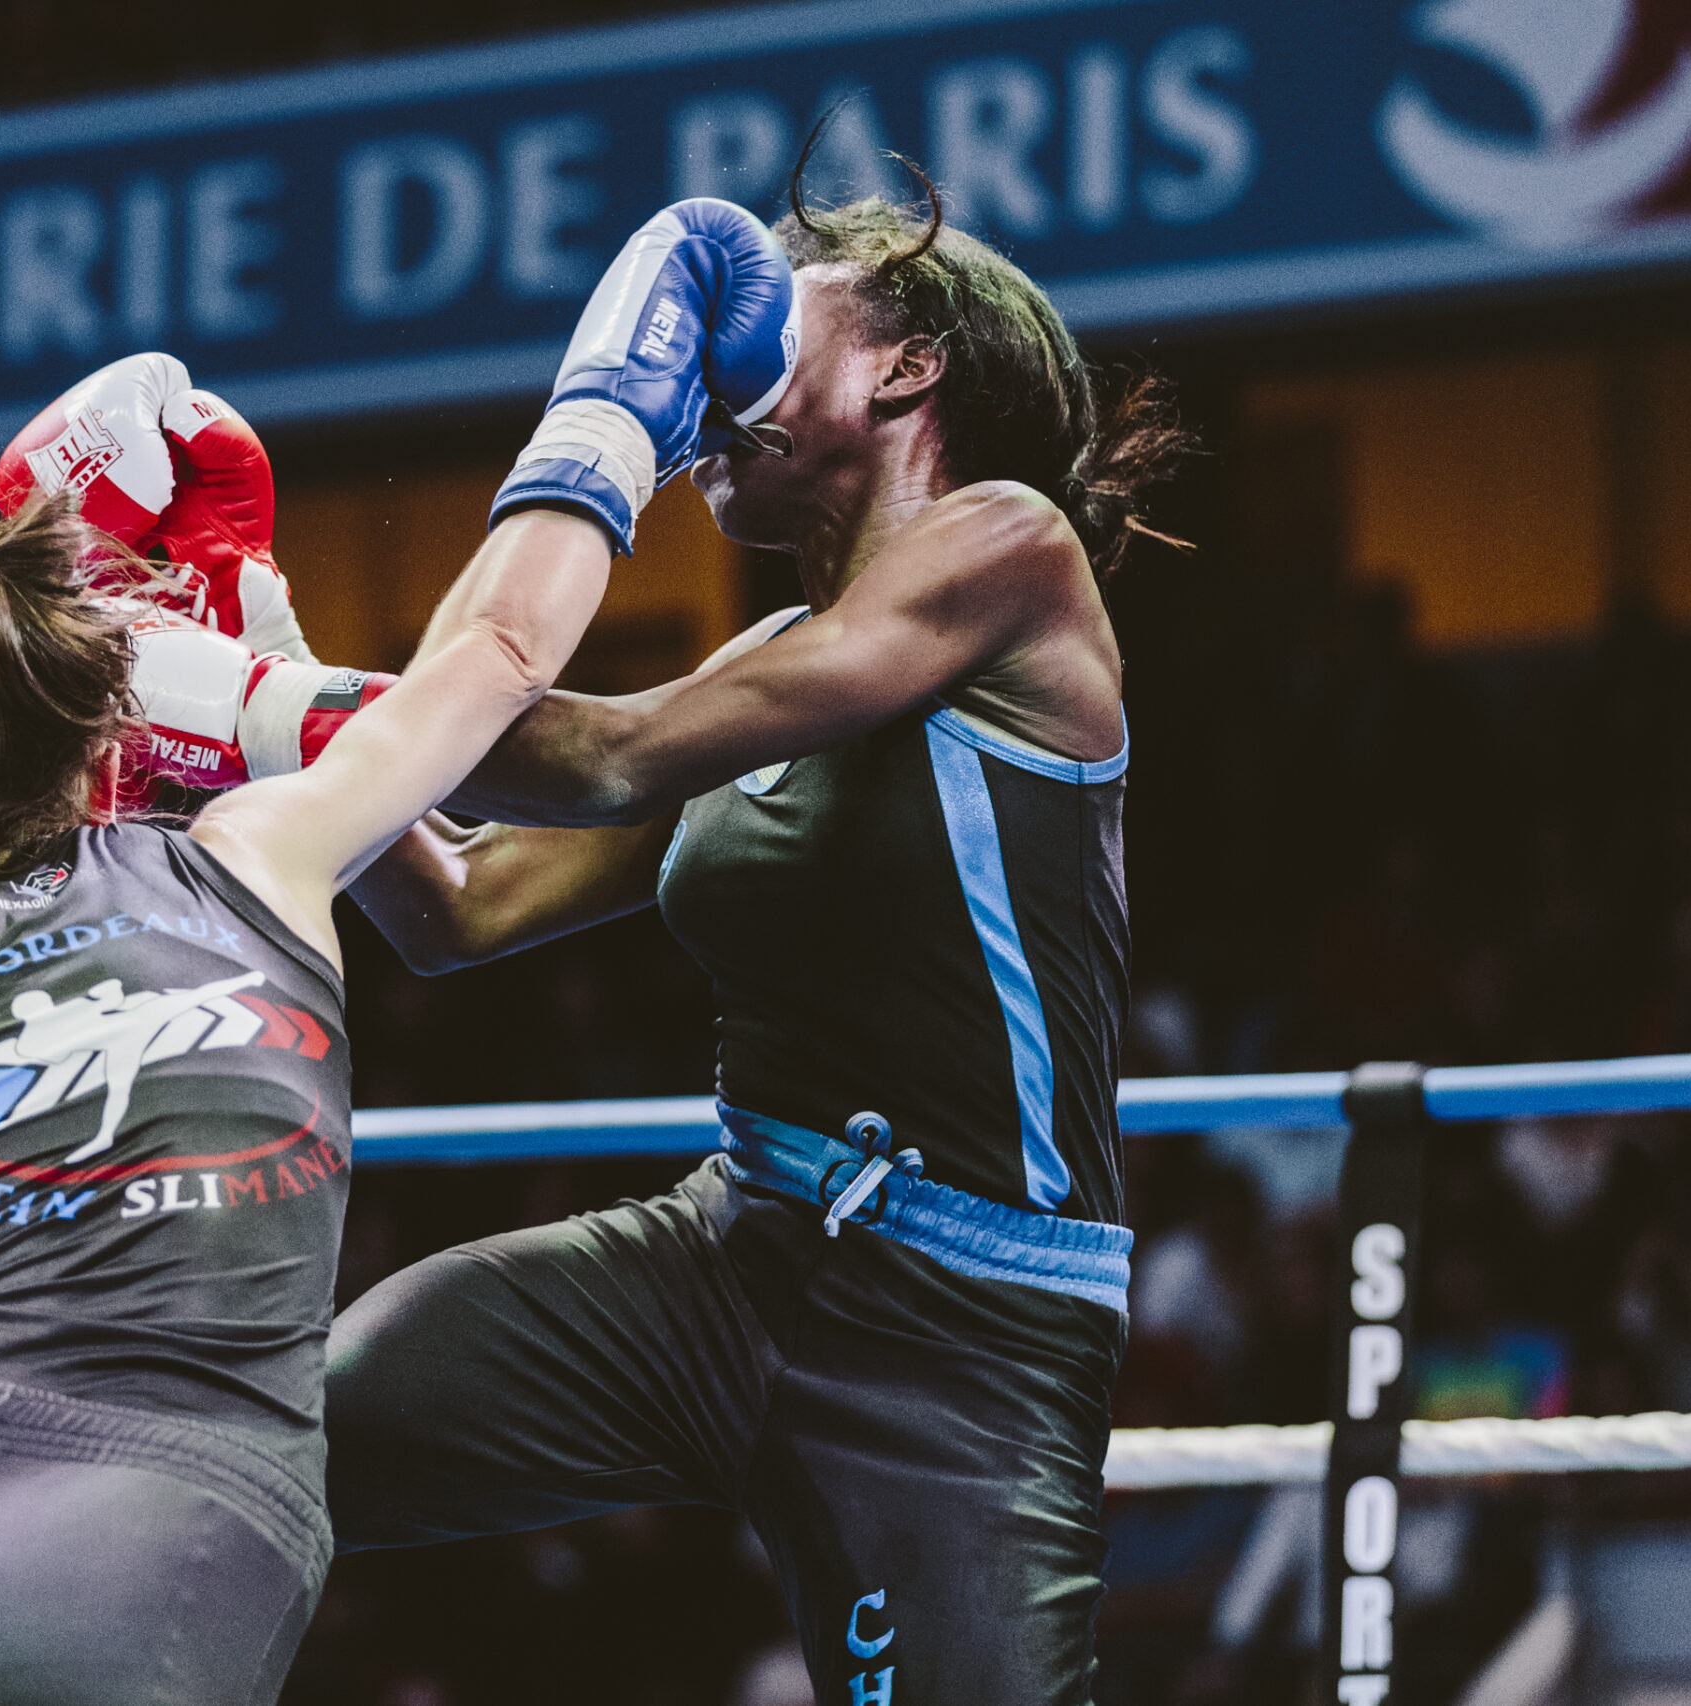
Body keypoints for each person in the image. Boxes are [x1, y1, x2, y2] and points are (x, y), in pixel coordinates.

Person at [0, 198, 798, 1706]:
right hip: (120, 1545)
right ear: (103, 752)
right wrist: (621, 385)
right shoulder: (263, 854)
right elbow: (499, 663)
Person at [320, 172, 1190, 1705]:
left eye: (784, 310)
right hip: (724, 1262)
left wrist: (293, 699)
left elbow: (593, 753)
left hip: (961, 1337)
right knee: (285, 1433)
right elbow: (456, 907)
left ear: (906, 365)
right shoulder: (768, 659)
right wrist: (251, 652)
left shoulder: (1014, 550)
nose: (720, 360)